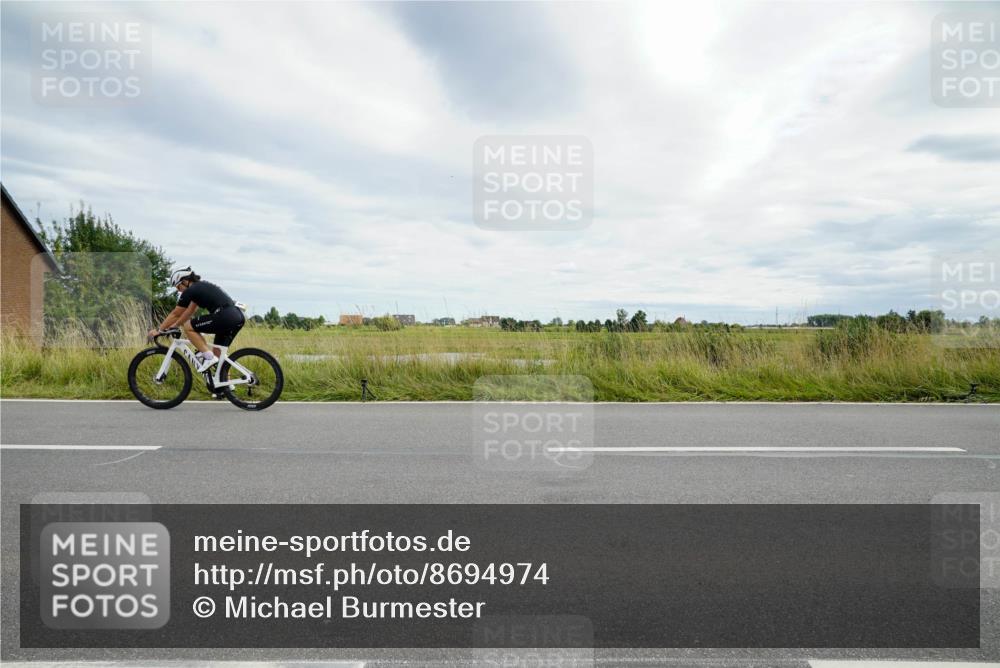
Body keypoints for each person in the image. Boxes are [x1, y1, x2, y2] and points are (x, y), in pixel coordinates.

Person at [148, 267, 245, 372]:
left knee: (188, 326)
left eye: (178, 286)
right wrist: (174, 326)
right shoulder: (200, 288)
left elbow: (176, 313)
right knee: (218, 353)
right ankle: (226, 386)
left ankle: (208, 358)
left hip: (225, 316)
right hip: (236, 316)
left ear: (185, 281)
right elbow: (190, 311)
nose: (178, 290)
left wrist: (159, 330)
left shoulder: (191, 290)